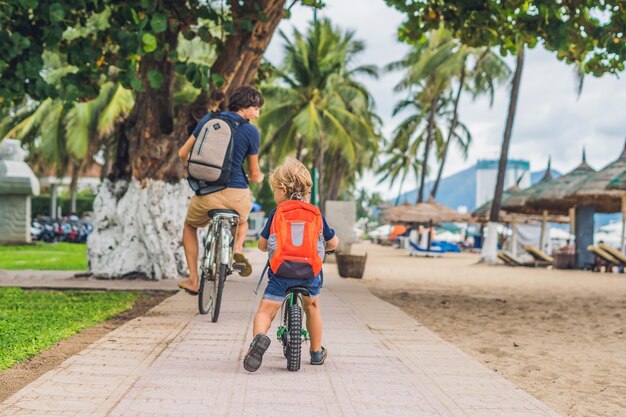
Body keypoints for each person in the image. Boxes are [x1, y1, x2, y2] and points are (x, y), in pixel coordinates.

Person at [243, 158, 339, 372]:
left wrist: (264, 246)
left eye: (275, 190)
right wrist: (330, 248)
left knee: (266, 311)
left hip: (281, 272)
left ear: (283, 190)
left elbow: (262, 244)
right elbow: (332, 242)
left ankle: (258, 340)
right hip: (309, 273)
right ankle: (316, 352)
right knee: (312, 306)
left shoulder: (278, 212)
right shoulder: (315, 213)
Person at [177, 86, 264, 294]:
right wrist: (258, 178)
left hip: (207, 193)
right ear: (245, 107)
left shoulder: (209, 120)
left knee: (190, 225)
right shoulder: (251, 131)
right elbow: (253, 172)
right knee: (242, 221)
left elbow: (182, 153)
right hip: (237, 195)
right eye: (256, 108)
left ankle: (193, 280)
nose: (258, 113)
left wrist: (193, 167)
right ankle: (237, 249)